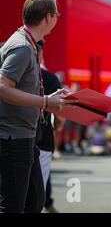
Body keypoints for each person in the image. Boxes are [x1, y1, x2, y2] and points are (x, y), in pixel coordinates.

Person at [0, 0, 75, 213]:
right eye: (56, 14)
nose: (57, 18)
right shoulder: (23, 46)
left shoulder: (26, 42)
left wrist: (51, 97)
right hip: (14, 138)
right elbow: (3, 88)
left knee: (35, 200)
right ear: (47, 18)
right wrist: (45, 101)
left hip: (24, 137)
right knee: (14, 206)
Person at [34, 40, 65, 213]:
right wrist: (59, 125)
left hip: (13, 138)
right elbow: (59, 117)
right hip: (42, 140)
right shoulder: (50, 78)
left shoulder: (11, 78)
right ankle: (48, 202)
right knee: (36, 194)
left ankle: (48, 202)